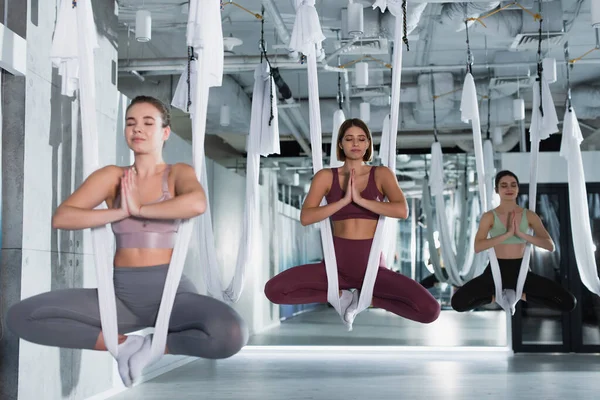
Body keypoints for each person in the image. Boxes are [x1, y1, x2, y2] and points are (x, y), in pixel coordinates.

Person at [7, 96, 248, 387]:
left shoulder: (178, 174)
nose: (138, 129)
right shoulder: (112, 177)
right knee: (21, 317)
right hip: (121, 298)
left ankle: (152, 347)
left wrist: (140, 210)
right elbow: (63, 217)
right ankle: (124, 346)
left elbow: (196, 204)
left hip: (172, 296)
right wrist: (119, 211)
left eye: (148, 123)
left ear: (165, 132)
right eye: (131, 123)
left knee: (232, 334)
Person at [264, 118, 441, 324]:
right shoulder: (326, 177)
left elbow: (402, 210)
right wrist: (344, 201)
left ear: (367, 144)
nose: (355, 144)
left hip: (373, 269)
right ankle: (342, 297)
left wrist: (361, 200)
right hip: (335, 268)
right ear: (340, 144)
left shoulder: (381, 174)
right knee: (274, 291)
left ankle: (368, 299)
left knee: (430, 310)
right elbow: (307, 217)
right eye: (349, 139)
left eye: (361, 139)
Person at [451, 170, 576, 312]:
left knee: (568, 302)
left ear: (518, 188)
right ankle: (495, 298)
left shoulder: (529, 215)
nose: (509, 188)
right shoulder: (489, 216)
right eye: (504, 185)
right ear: (497, 190)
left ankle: (522, 296)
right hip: (495, 271)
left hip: (521, 272)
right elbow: (478, 246)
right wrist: (507, 234)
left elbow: (550, 246)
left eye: (513, 185)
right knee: (458, 303)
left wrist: (521, 234)